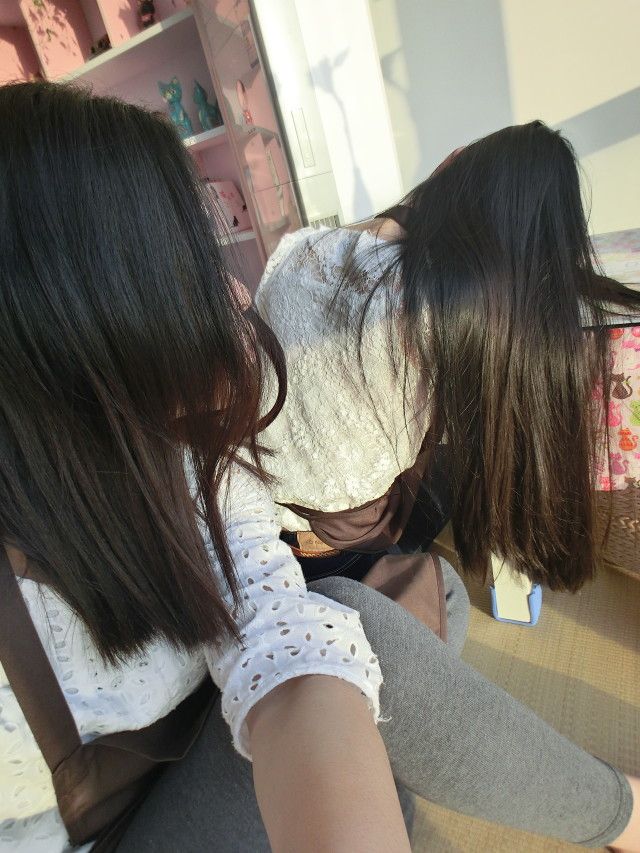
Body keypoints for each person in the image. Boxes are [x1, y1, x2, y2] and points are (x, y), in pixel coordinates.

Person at [0, 82, 409, 853]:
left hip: (193, 754)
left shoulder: (187, 460)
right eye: (187, 267)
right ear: (81, 313)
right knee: (388, 632)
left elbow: (284, 637)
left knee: (379, 629)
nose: (235, 291)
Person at [251, 120, 640, 849]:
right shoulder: (446, 316)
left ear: (452, 165)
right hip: (328, 548)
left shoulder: (307, 246)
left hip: (276, 509)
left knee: (433, 561)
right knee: (444, 561)